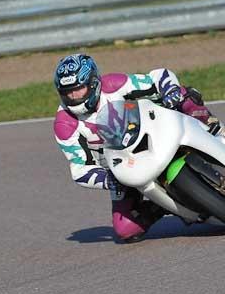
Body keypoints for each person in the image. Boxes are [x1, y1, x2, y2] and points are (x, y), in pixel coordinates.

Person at [53, 54, 222, 243]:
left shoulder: (114, 84)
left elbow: (159, 76)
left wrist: (170, 91)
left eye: (79, 89)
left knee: (184, 96)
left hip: (153, 129)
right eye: (68, 92)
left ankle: (212, 127)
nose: (74, 96)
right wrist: (110, 180)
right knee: (125, 229)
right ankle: (165, 205)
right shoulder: (64, 124)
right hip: (123, 168)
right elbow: (79, 170)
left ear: (93, 83)